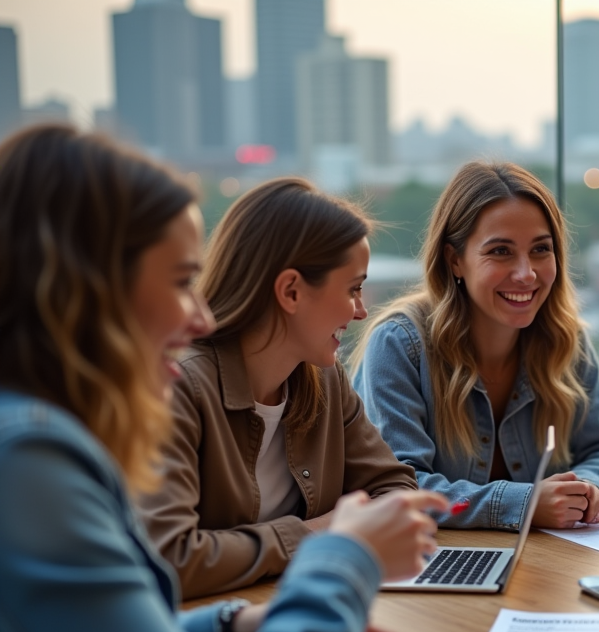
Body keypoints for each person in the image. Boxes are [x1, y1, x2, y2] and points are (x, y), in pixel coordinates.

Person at [0, 125, 448, 632]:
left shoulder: (34, 440)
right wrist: (337, 561)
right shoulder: (29, 464)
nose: (200, 318)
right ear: (91, 289)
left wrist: (234, 628)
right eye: (181, 282)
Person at [136, 177, 420, 600]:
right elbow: (170, 559)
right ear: (291, 291)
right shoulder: (179, 389)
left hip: (294, 604)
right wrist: (319, 534)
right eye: (353, 289)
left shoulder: (326, 377)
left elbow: (395, 491)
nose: (361, 311)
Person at [351, 161, 599, 531]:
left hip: (541, 563)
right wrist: (524, 503)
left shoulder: (566, 340)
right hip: (430, 570)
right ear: (456, 260)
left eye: (540, 249)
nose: (526, 273)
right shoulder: (400, 346)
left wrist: (585, 491)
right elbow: (397, 491)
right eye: (501, 251)